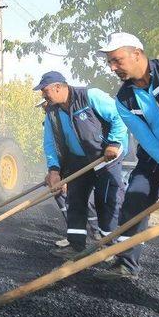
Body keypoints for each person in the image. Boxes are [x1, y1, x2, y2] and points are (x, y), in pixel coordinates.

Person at [94, 32, 159, 280]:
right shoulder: (123, 99)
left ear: (137, 54)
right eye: (110, 63)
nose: (113, 68)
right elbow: (145, 139)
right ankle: (126, 263)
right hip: (155, 157)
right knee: (135, 198)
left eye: (117, 60)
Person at [34, 71, 128, 259]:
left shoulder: (89, 96)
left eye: (45, 91)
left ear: (58, 87)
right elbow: (50, 143)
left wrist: (114, 142)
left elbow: (119, 116)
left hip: (105, 157)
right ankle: (76, 245)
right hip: (78, 161)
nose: (43, 96)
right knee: (75, 200)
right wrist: (54, 170)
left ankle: (108, 247)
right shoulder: (52, 113)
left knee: (106, 202)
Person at [36, 99, 100, 248]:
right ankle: (73, 235)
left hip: (79, 164)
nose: (44, 109)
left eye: (45, 105)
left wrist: (64, 178)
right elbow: (53, 149)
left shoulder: (67, 117)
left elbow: (70, 148)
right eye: (43, 107)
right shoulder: (50, 122)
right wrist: (53, 173)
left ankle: (98, 234)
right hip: (63, 167)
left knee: (87, 201)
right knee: (59, 195)